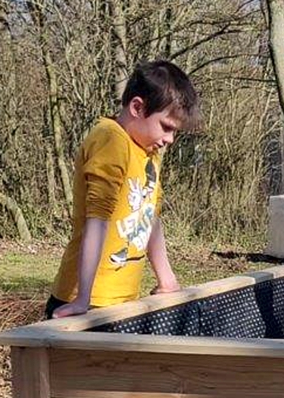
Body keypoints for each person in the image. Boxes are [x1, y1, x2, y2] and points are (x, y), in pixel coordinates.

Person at [46, 60, 200, 319]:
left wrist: (167, 280)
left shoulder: (149, 151)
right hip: (87, 303)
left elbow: (150, 217)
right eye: (166, 127)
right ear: (137, 107)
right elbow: (97, 219)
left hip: (124, 301)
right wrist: (83, 298)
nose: (170, 139)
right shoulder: (110, 139)